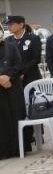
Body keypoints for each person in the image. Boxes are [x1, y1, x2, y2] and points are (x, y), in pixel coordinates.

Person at [0, 24, 25, 159]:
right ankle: (3, 151)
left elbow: (18, 64)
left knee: (15, 114)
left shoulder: (11, 46)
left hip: (12, 86)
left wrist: (8, 76)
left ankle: (18, 148)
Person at [3, 15, 43, 86]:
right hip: (14, 78)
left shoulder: (33, 38)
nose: (9, 27)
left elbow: (36, 59)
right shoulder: (7, 40)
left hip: (31, 77)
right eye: (8, 25)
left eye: (11, 24)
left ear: (21, 25)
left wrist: (21, 72)